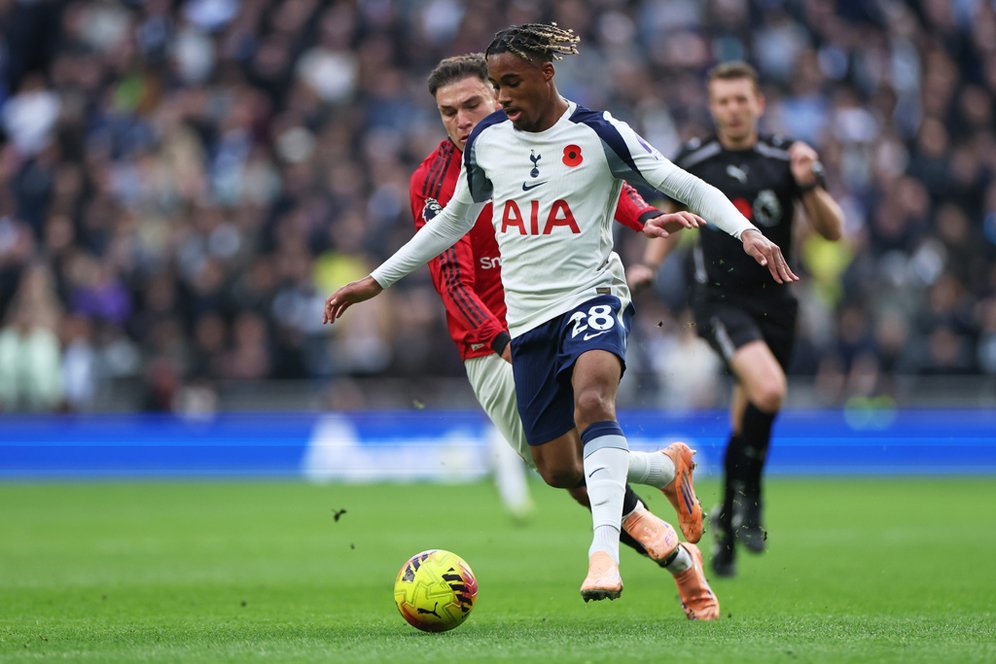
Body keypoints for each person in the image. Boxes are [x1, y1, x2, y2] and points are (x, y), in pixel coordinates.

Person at [325, 24, 796, 616]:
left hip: (591, 295)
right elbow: (450, 227)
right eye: (487, 92)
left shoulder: (599, 132)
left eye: (501, 88)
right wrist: (376, 281)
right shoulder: (486, 146)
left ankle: (604, 555)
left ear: (547, 74)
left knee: (594, 402)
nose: (495, 103)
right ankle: (665, 469)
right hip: (518, 327)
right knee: (561, 471)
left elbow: (677, 183)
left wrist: (746, 231)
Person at [413, 52, 704, 586]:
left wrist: (642, 216)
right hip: (493, 344)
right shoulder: (434, 181)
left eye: (473, 104)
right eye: (448, 112)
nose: (462, 120)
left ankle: (678, 563)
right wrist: (504, 342)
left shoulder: (541, 136)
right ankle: (665, 470)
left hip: (568, 306)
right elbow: (453, 282)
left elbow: (600, 177)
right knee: (564, 470)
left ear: (498, 94)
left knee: (590, 426)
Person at [628, 61, 844, 578]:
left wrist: (809, 183)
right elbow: (669, 217)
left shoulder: (785, 156)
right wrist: (646, 267)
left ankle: (729, 521)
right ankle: (752, 499)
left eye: (741, 99)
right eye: (723, 100)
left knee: (748, 418)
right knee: (768, 391)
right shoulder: (696, 158)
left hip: (778, 304)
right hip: (718, 302)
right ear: (712, 104)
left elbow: (833, 232)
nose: (732, 108)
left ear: (758, 102)